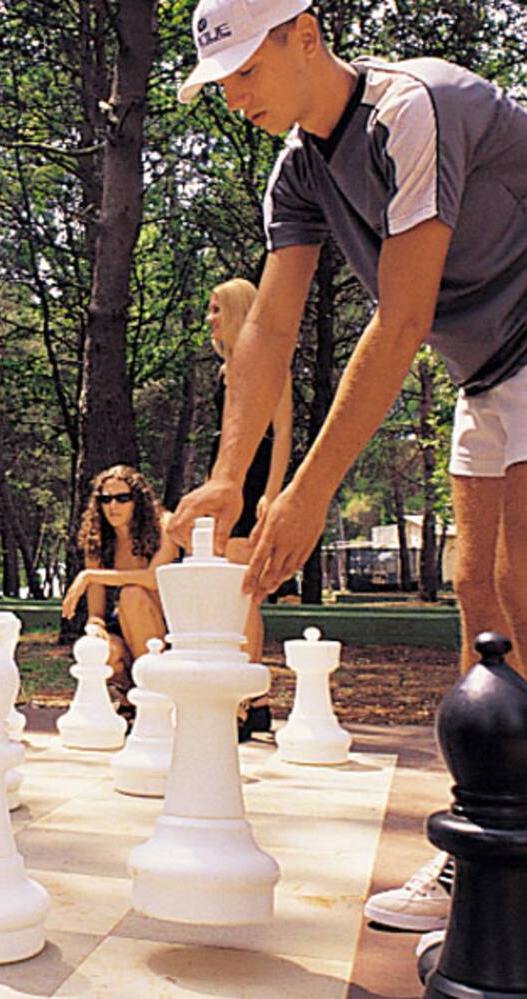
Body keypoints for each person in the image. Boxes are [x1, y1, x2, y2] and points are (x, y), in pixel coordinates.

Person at [169, 0, 527, 979]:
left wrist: (303, 493)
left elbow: (399, 322)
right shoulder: (298, 170)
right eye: (216, 82)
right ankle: (484, 848)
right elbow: (266, 329)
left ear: (302, 33)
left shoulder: (410, 107)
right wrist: (231, 476)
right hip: (490, 363)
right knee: (476, 589)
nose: (234, 97)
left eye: (245, 69)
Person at [207, 277, 290, 738]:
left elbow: (284, 432)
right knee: (230, 591)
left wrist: (272, 492)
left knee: (244, 592)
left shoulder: (270, 362)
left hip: (255, 483)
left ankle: (250, 696)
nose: (210, 318)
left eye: (217, 308)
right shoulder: (230, 369)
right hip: (231, 483)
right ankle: (248, 697)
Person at [61, 465, 179, 709]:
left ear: (138, 500)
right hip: (125, 624)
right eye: (105, 499)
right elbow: (97, 611)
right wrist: (95, 624)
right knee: (104, 652)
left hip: (169, 626)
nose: (113, 506)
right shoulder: (97, 538)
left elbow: (152, 579)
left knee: (133, 594)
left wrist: (89, 576)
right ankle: (131, 695)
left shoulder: (164, 524)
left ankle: (153, 690)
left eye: (122, 498)